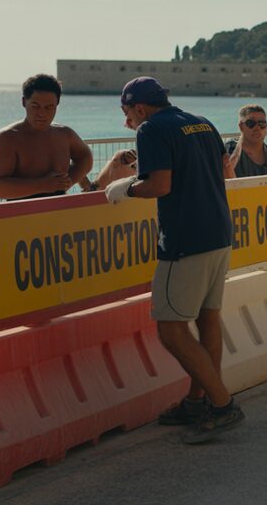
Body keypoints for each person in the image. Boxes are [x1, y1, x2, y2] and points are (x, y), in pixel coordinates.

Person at [103, 77, 244, 443]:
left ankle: (222, 404)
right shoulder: (201, 121)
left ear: (140, 108)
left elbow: (159, 186)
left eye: (127, 113)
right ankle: (198, 401)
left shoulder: (150, 129)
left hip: (185, 240)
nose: (127, 123)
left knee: (170, 329)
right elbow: (220, 170)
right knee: (208, 318)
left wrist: (127, 188)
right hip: (219, 232)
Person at [0, 74, 93, 200]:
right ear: (24, 102)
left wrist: (68, 181)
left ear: (57, 105)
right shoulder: (7, 138)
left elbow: (86, 158)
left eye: (49, 107)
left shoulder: (65, 135)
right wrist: (42, 185)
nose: (41, 113)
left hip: (60, 212)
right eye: (35, 106)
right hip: (20, 215)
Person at [224, 105, 267, 177]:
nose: (257, 128)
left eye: (262, 123)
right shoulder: (229, 152)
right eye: (251, 123)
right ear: (241, 126)